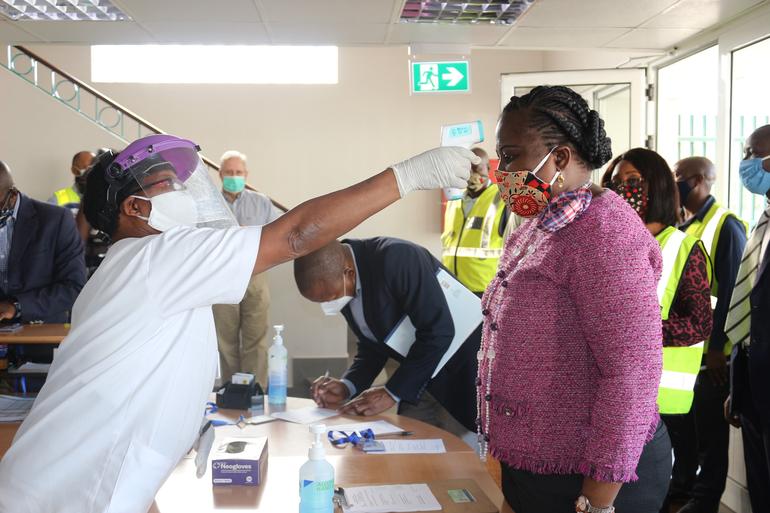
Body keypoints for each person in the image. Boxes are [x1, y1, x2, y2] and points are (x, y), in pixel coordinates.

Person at [0, 134, 479, 513]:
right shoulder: (157, 254)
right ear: (134, 208)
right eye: (168, 184)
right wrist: (413, 173)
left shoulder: (131, 267)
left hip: (72, 481)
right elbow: (294, 235)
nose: (184, 191)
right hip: (68, 493)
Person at [482, 85, 670, 513]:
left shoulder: (604, 235)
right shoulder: (541, 223)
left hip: (595, 478)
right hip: (540, 466)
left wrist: (597, 502)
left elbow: (632, 374)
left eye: (511, 156)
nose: (502, 170)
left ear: (560, 159)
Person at [607, 149, 714, 513]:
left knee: (647, 495)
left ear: (658, 187)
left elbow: (700, 323)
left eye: (633, 182)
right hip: (612, 390)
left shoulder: (684, 247)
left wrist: (639, 329)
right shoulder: (607, 244)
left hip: (660, 399)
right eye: (616, 183)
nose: (623, 190)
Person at [297, 237, 481, 443]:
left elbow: (439, 331)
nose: (327, 305)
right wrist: (347, 385)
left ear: (348, 273)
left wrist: (391, 392)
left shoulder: (398, 258)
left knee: (459, 459)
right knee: (412, 448)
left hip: (461, 371)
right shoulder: (342, 280)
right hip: (419, 376)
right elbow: (372, 344)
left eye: (330, 297)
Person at [671, 156, 748, 513]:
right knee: (686, 433)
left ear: (699, 180)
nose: (675, 183)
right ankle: (682, 490)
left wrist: (718, 348)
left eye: (679, 177)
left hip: (714, 355)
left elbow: (732, 289)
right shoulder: (687, 226)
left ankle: (704, 504)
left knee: (711, 440)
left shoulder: (725, 225)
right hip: (690, 352)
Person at [0, 161, 86, 368]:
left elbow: (73, 286)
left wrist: (16, 307)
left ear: (12, 195)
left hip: (41, 340)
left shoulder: (55, 220)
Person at [724, 124, 770, 513]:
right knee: (760, 484)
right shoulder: (763, 218)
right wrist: (737, 387)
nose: (746, 164)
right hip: (754, 379)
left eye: (753, 155)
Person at [213, 150, 283, 387]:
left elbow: (277, 238)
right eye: (230, 172)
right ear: (220, 174)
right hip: (221, 278)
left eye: (239, 172)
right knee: (226, 341)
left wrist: (249, 236)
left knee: (256, 338)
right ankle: (231, 390)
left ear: (246, 174)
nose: (234, 176)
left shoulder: (261, 202)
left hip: (255, 275)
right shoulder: (209, 204)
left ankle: (255, 390)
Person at [441, 147, 509, 295]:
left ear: (489, 168)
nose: (472, 174)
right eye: (467, 169)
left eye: (477, 168)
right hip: (451, 288)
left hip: (485, 291)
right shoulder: (453, 200)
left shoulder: (502, 199)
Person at [48, 150, 94, 216]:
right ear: (74, 170)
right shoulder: (57, 199)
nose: (90, 173)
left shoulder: (106, 198)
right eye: (86, 168)